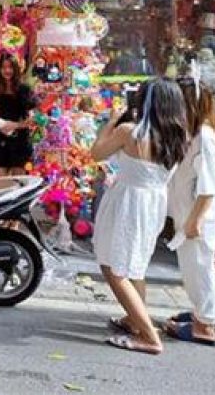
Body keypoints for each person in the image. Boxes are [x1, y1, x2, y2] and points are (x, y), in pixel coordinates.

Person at [91, 78, 187, 355]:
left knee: (114, 268)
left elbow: (96, 153)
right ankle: (135, 319)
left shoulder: (129, 132)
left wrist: (110, 122)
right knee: (135, 264)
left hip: (128, 201)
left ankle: (148, 335)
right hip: (153, 202)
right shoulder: (177, 136)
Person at [163, 76, 215, 346]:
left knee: (199, 268)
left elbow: (209, 186)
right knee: (195, 267)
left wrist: (195, 220)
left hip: (196, 218)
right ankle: (203, 313)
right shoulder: (193, 134)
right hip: (187, 214)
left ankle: (205, 324)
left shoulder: (205, 138)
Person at [0, 55, 37, 177]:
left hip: (20, 140)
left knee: (18, 182)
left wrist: (15, 125)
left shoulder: (24, 90)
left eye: (10, 67)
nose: (7, 71)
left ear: (16, 69)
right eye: (3, 67)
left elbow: (33, 118)